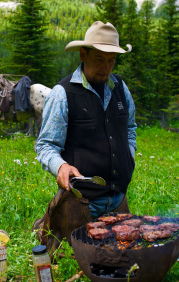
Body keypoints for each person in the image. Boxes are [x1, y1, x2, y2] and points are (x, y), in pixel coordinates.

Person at [34, 21, 137, 255]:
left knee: (123, 259)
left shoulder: (121, 87)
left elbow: (130, 127)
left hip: (119, 201)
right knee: (77, 260)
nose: (106, 67)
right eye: (100, 59)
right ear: (83, 54)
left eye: (112, 60)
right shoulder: (62, 94)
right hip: (81, 205)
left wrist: (128, 155)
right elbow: (46, 145)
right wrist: (60, 165)